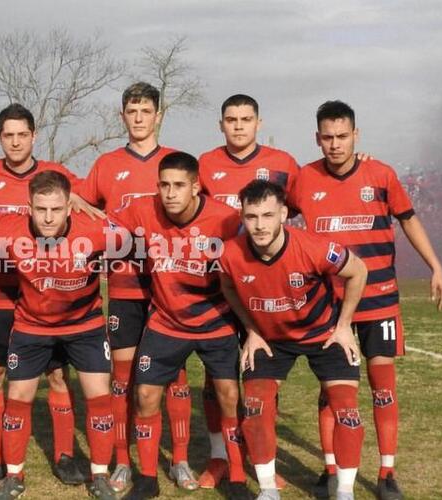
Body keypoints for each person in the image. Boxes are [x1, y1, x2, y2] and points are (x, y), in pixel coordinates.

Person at [288, 100, 442, 499]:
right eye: (328, 137)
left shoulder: (380, 174)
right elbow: (274, 219)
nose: (335, 145)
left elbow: (409, 219)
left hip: (379, 300)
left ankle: (386, 472)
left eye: (343, 137)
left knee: (382, 386)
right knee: (333, 390)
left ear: (356, 136)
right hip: (329, 303)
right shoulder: (304, 179)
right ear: (317, 138)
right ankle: (329, 468)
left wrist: (436, 266)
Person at [0, 103, 99, 486]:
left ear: (34, 136)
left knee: (56, 376)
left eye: (23, 134)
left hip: (44, 297)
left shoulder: (56, 175)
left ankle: (65, 454)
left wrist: (80, 202)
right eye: (8, 135)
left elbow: (88, 207)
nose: (16, 142)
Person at [77, 82, 195, 493]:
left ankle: (179, 459)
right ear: (122, 116)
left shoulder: (176, 164)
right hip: (125, 289)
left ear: (159, 114)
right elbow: (80, 204)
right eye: (132, 111)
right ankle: (124, 462)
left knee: (174, 376)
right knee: (122, 378)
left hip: (171, 289)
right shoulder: (107, 165)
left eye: (146, 110)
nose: (139, 117)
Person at [110, 152, 248, 499]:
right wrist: (74, 203)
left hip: (215, 320)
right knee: (144, 395)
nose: (170, 193)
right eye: (164, 185)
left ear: (196, 187)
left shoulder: (227, 219)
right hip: (167, 321)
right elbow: (105, 227)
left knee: (229, 396)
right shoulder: (142, 210)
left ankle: (236, 477)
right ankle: (146, 478)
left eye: (179, 186)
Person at [219, 180, 368, 500]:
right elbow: (227, 286)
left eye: (268, 215)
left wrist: (344, 326)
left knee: (347, 413)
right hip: (272, 339)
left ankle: (344, 492)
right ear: (242, 217)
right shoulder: (231, 253)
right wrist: (252, 330)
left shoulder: (313, 247)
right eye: (251, 217)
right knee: (256, 410)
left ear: (284, 213)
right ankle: (268, 490)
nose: (259, 225)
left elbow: (359, 271)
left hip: (324, 334)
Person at [0, 171, 115, 500]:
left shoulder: (96, 230)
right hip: (32, 324)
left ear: (69, 207)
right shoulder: (7, 230)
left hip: (84, 324)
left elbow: (137, 234)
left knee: (99, 397)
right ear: (28, 206)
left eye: (56, 210)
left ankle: (100, 475)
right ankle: (14, 476)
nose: (48, 218)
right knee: (17, 398)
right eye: (41, 209)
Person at [196, 93, 299, 489]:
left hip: (266, 290)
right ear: (221, 124)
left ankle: (262, 458)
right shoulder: (205, 164)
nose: (238, 126)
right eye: (231, 119)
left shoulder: (284, 164)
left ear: (259, 122)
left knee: (263, 379)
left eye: (245, 119)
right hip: (220, 286)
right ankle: (220, 456)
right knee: (215, 377)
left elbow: (304, 208)